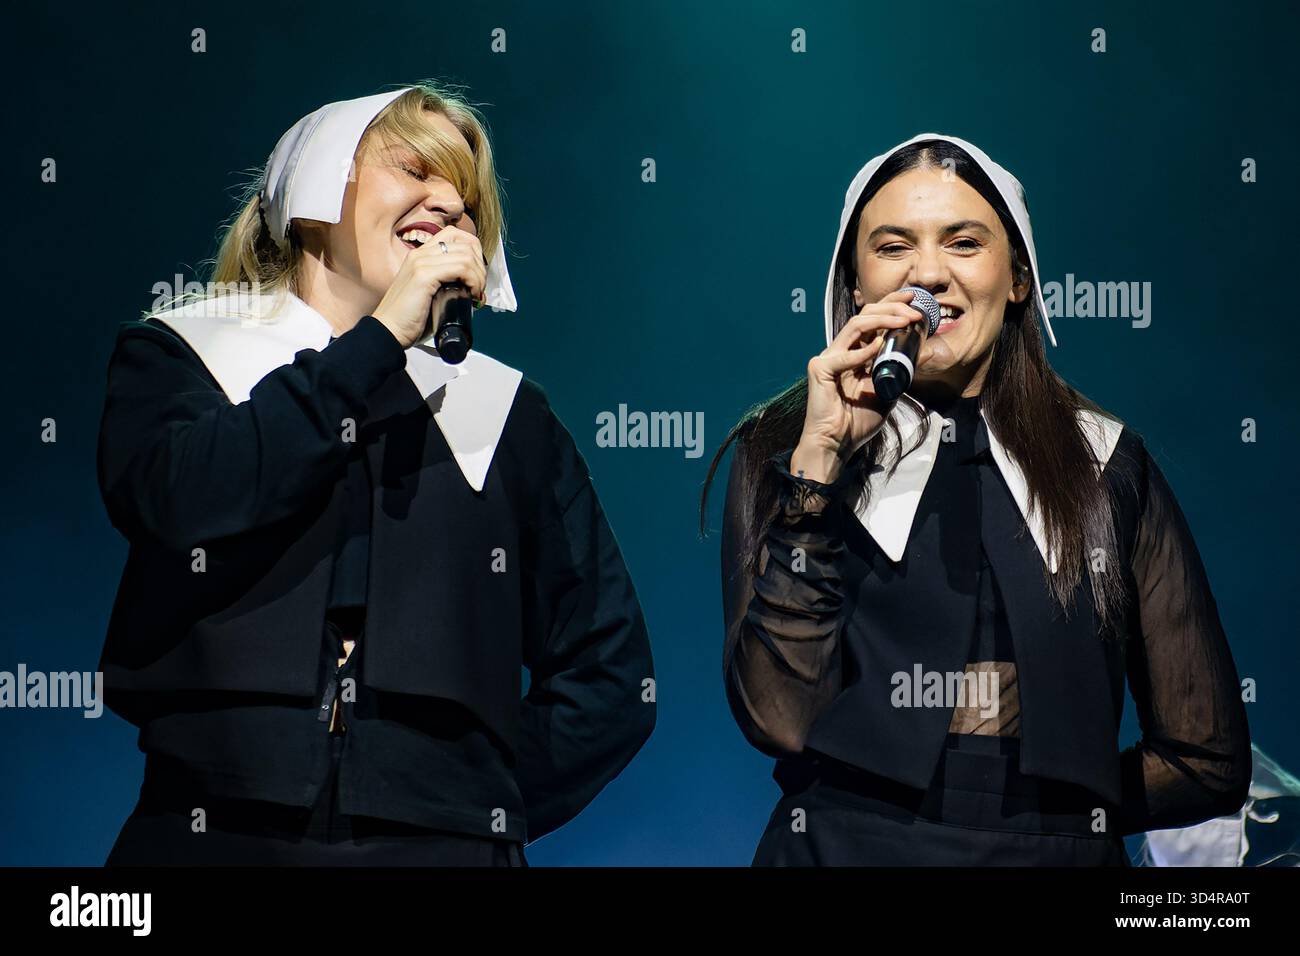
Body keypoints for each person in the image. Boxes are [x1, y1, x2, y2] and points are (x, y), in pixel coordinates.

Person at [97, 82, 655, 866]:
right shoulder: (187, 355)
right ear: (314, 191)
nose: (448, 204)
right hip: (210, 832)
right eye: (416, 171)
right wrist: (379, 338)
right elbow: (178, 498)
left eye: (463, 194)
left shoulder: (506, 413)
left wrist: (465, 799)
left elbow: (611, 675)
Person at [700, 133, 1251, 866]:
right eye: (894, 247)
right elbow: (778, 717)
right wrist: (820, 464)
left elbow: (1206, 757)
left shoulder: (1107, 461)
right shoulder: (785, 446)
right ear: (855, 283)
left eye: (964, 242)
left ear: (1018, 276)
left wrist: (1052, 812)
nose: (928, 276)